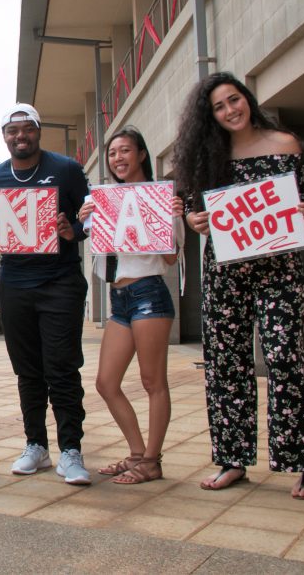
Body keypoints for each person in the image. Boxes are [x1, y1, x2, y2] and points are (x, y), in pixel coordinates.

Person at [172, 71, 304, 499]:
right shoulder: (208, 157)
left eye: (234, 100)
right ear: (211, 116)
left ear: (248, 99)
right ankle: (232, 458)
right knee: (225, 363)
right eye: (218, 107)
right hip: (224, 271)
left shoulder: (286, 144)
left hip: (280, 270)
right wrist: (191, 219)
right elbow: (187, 202)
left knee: (284, 356)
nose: (229, 111)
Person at [0, 102, 92, 485]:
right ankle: (35, 445)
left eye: (27, 129)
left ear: (38, 131)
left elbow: (92, 218)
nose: (20, 136)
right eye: (13, 131)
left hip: (60, 282)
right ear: (4, 137)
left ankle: (71, 450)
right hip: (14, 283)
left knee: (61, 368)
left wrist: (72, 231)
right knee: (27, 372)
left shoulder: (66, 170)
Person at [77, 127, 183, 484]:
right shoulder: (102, 201)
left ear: (141, 155)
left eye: (125, 151)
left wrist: (170, 217)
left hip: (149, 293)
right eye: (112, 153)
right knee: (106, 383)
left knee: (153, 381)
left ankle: (151, 460)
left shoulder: (160, 198)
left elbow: (170, 258)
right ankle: (137, 452)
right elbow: (102, 253)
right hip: (118, 298)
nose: (118, 158)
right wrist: (86, 219)